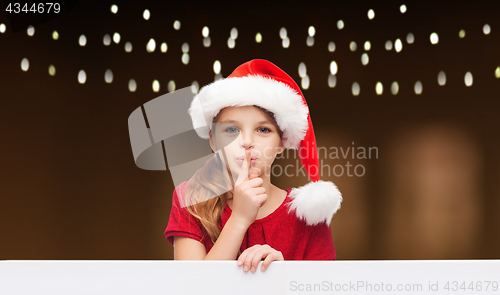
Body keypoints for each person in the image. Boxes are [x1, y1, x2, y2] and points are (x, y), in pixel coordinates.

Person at [164, 59, 342, 273]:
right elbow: (190, 288)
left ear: (282, 142)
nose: (247, 141)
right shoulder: (190, 199)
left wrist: (282, 275)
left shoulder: (307, 215)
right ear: (212, 140)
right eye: (231, 130)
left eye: (263, 130)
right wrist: (239, 218)